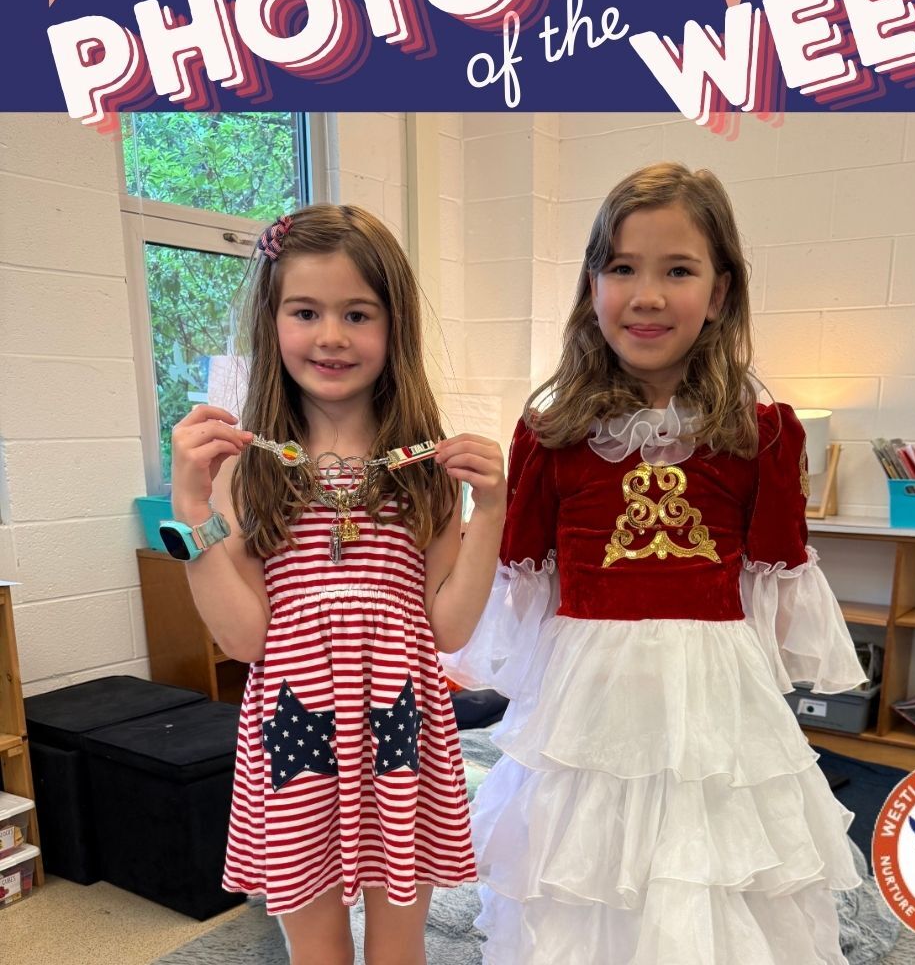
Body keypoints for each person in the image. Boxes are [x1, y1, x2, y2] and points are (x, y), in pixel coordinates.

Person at [443, 163, 870, 964]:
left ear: (719, 293)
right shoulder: (547, 434)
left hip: (713, 685)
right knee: (583, 862)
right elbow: (522, 581)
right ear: (592, 286)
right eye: (623, 268)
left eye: (678, 270)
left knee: (712, 861)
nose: (647, 295)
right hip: (591, 686)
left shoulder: (766, 432)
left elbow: (776, 577)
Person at [168, 204, 506, 965]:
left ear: (394, 328)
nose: (331, 336)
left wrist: (492, 511)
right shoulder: (247, 471)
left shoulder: (423, 473)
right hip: (295, 740)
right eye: (306, 311)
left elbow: (446, 628)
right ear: (273, 322)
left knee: (398, 948)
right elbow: (244, 637)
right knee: (316, 952)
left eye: (358, 313)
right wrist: (188, 507)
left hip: (401, 735)